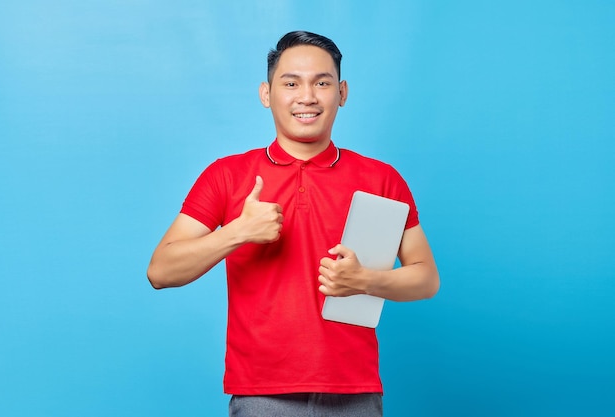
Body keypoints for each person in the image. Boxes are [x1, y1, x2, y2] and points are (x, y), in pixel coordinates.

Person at [147, 30, 439, 417]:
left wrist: (365, 281)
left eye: (322, 82)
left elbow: (426, 277)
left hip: (355, 393)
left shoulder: (381, 179)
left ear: (342, 93)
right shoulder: (227, 175)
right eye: (291, 83)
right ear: (267, 94)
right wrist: (237, 232)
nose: (307, 97)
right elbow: (160, 271)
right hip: (262, 395)